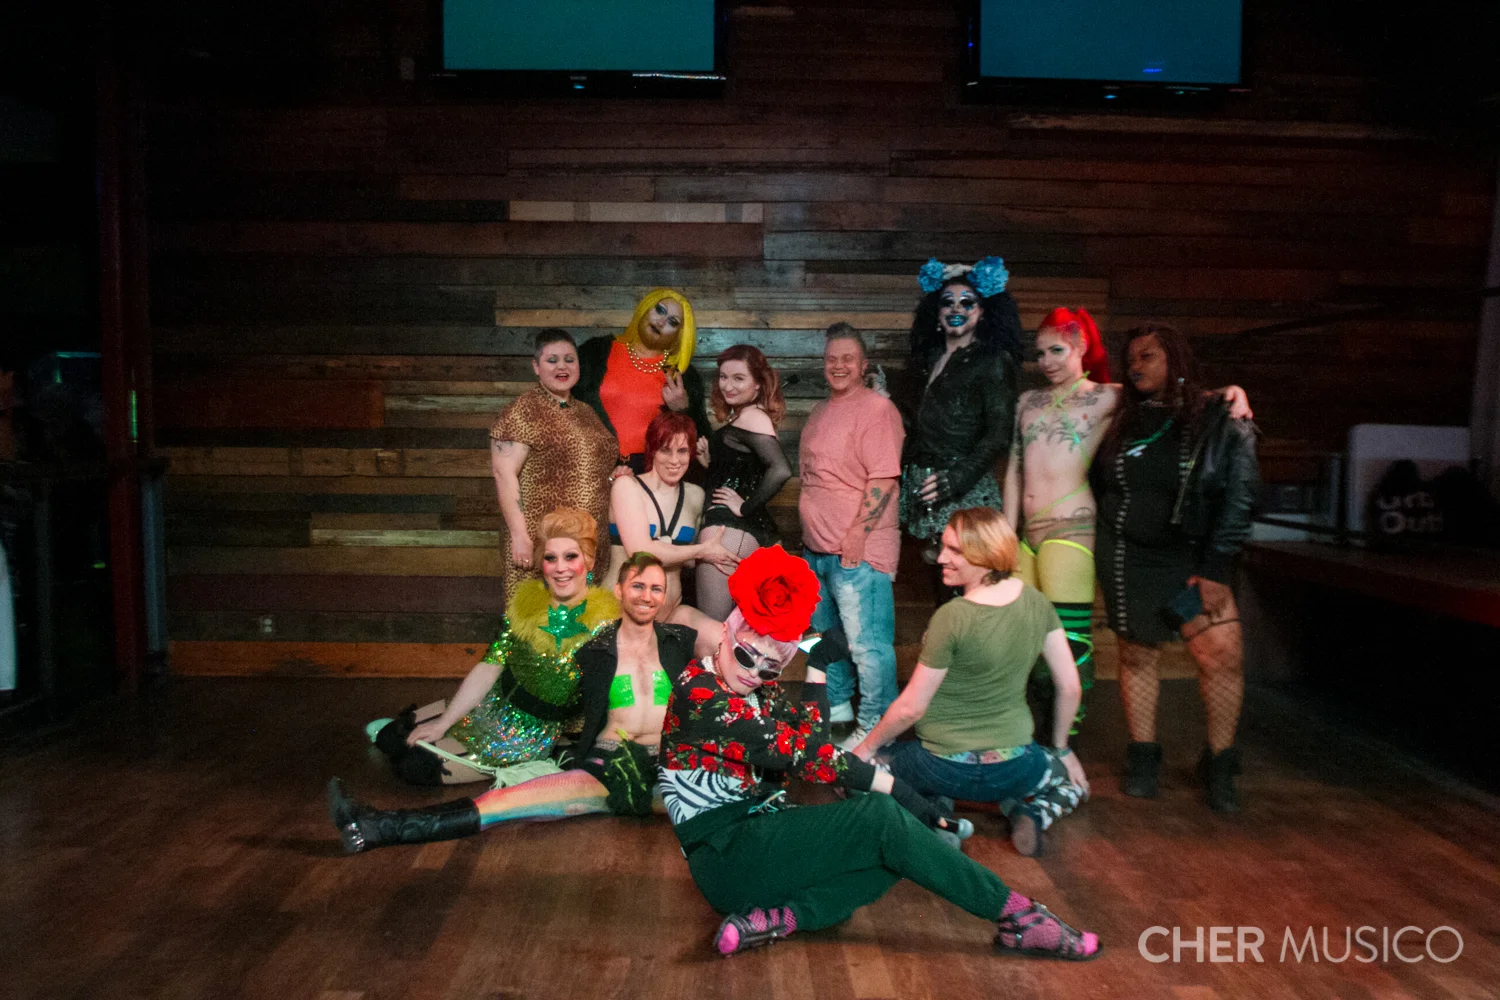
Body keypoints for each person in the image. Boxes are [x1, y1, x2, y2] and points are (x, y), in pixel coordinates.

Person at [661, 544, 1099, 960]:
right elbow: (814, 759)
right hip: (727, 858)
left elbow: (813, 744)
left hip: (762, 837)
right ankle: (1018, 915)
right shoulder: (699, 694)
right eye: (745, 656)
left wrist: (816, 667)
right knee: (885, 819)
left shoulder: (755, 688)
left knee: (895, 847)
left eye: (770, 668)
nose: (754, 673)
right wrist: (903, 794)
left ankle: (781, 918)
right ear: (725, 634)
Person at [329, 553, 697, 851]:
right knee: (499, 804)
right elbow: (526, 673)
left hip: (670, 771)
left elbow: (720, 663)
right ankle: (375, 826)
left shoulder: (679, 640)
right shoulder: (593, 646)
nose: (646, 596)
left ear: (665, 596)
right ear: (618, 590)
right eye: (637, 586)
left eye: (656, 589)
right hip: (607, 768)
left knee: (718, 802)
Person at [1002, 308, 1253, 741]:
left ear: (1081, 347)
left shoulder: (1109, 396)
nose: (1046, 361)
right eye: (1040, 353)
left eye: (1057, 350)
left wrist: (1232, 393)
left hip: (1071, 527)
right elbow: (1014, 469)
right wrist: (1008, 534)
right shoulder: (1027, 401)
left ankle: (1064, 739)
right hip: (1027, 533)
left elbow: (1178, 395)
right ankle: (1033, 729)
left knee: (1070, 640)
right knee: (1024, 636)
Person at [850, 508, 1089, 858]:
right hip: (1016, 767)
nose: (941, 558)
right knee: (1075, 784)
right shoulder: (1038, 603)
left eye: (955, 551)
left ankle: (936, 817)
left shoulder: (952, 616)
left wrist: (863, 751)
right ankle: (1031, 813)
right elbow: (1070, 687)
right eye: (943, 547)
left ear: (988, 554)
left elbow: (911, 708)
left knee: (855, 778)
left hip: (939, 768)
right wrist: (1062, 751)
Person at [1089, 323, 1259, 812]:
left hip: (1194, 556)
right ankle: (1143, 757)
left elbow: (1241, 495)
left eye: (1149, 356)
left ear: (1176, 360)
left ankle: (1220, 762)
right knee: (1137, 656)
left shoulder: (1217, 417)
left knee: (1221, 655)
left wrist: (1216, 568)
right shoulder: (1122, 415)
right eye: (1131, 358)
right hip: (1127, 552)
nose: (1136, 366)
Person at [369, 508, 620, 786]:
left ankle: (555, 753)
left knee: (415, 767)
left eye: (571, 556)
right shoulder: (526, 606)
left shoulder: (603, 625)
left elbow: (608, 699)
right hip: (489, 705)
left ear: (589, 561)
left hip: (525, 734)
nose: (560, 568)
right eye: (551, 558)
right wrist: (444, 722)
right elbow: (490, 666)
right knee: (391, 738)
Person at [798, 323, 903, 749]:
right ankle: (838, 708)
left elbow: (884, 477)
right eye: (831, 359)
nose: (838, 366)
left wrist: (857, 535)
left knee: (868, 646)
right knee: (823, 640)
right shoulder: (821, 411)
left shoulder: (877, 409)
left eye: (847, 359)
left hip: (857, 551)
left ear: (863, 364)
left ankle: (876, 728)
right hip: (817, 550)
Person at [898, 257, 1022, 568]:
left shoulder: (992, 361)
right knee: (933, 580)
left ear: (982, 312)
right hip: (922, 491)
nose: (956, 309)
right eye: (947, 302)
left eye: (967, 303)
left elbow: (998, 434)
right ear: (936, 312)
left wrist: (956, 479)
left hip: (966, 492)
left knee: (966, 578)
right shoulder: (928, 359)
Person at [491, 330, 618, 604]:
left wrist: (617, 475)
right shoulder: (524, 410)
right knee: (536, 617)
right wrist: (520, 536)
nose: (562, 366)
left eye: (569, 359)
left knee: (582, 619)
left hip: (586, 542)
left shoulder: (586, 412)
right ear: (536, 366)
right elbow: (503, 473)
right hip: (541, 544)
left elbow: (596, 466)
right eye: (552, 360)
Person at [609, 410, 738, 658]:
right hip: (621, 613)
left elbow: (687, 561)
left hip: (671, 611)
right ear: (652, 451)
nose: (675, 461)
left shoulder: (695, 495)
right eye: (665, 450)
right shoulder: (627, 486)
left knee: (723, 643)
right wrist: (703, 551)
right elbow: (641, 551)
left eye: (682, 451)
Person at [694, 345, 792, 620]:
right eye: (723, 377)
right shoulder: (746, 416)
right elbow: (747, 471)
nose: (728, 385)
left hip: (729, 531)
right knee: (740, 631)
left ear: (758, 384)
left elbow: (781, 470)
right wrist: (711, 464)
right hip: (742, 531)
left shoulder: (753, 416)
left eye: (739, 378)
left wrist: (745, 507)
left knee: (713, 628)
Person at [573, 288, 711, 473]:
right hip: (589, 467)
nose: (661, 322)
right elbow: (564, 404)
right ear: (645, 308)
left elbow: (700, 442)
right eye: (660, 310)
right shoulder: (595, 352)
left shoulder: (684, 377)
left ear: (679, 335)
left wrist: (684, 410)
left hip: (648, 476)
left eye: (672, 322)